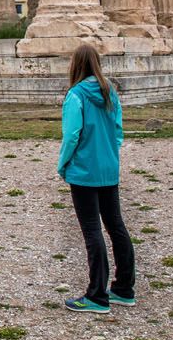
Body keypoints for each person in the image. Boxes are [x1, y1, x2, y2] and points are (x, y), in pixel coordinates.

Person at [57, 43, 135, 315]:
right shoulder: (109, 92)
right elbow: (118, 132)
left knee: (92, 231)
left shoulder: (75, 96)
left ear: (75, 65)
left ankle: (97, 296)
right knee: (116, 227)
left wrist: (62, 164)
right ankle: (124, 289)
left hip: (84, 171)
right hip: (108, 169)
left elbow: (71, 136)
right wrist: (110, 156)